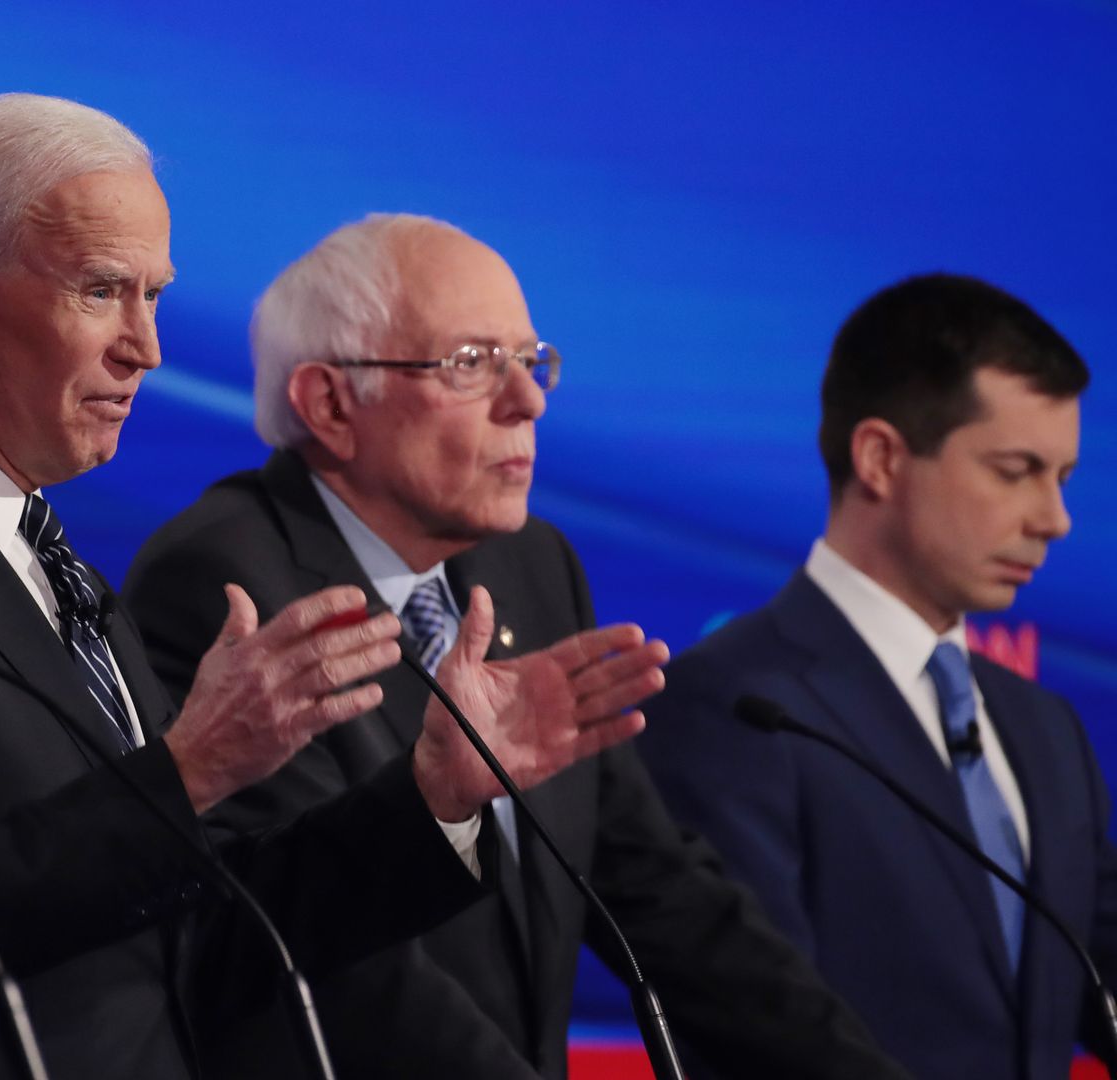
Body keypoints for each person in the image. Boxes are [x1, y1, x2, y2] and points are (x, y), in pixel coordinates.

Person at [0, 94, 667, 1080]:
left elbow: (202, 941)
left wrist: (433, 800)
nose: (145, 347)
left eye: (154, 296)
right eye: (103, 290)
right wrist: (190, 768)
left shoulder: (47, 562)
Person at [124, 213, 909, 1080]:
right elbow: (340, 960)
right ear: (330, 403)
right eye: (471, 365)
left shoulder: (531, 565)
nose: (528, 401)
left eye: (531, 363)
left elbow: (655, 891)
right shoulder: (227, 585)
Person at [639, 273, 1117, 1079]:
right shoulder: (733, 706)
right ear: (881, 458)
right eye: (1015, 470)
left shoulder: (1046, 731)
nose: (1054, 520)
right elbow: (754, 1033)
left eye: (1062, 478)